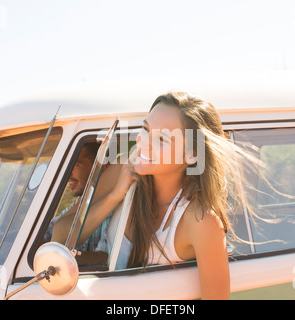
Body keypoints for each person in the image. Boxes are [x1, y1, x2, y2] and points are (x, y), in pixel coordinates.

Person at [81, 92, 251, 299]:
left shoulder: (201, 220)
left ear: (192, 154)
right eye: (145, 129)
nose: (143, 143)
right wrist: (114, 196)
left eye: (161, 139)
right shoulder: (127, 166)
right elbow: (62, 236)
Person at [45, 142, 110, 266]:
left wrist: (55, 262)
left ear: (102, 167)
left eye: (75, 165)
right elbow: (48, 232)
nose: (68, 176)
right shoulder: (80, 204)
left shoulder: (113, 207)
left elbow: (105, 259)